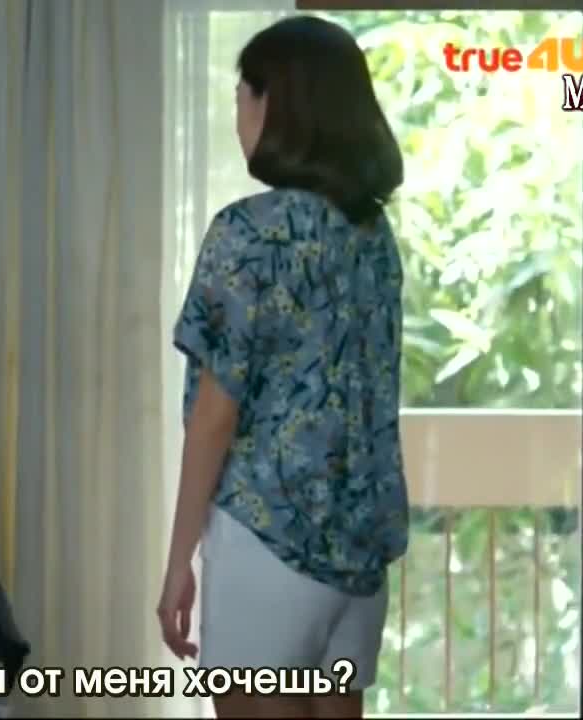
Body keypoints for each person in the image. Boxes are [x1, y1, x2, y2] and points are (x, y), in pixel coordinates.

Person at [157, 16, 409, 719]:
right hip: (358, 554)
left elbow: (216, 414)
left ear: (276, 104)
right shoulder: (372, 236)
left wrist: (179, 562)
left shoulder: (249, 232)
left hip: (268, 539)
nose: (238, 113)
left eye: (243, 94)